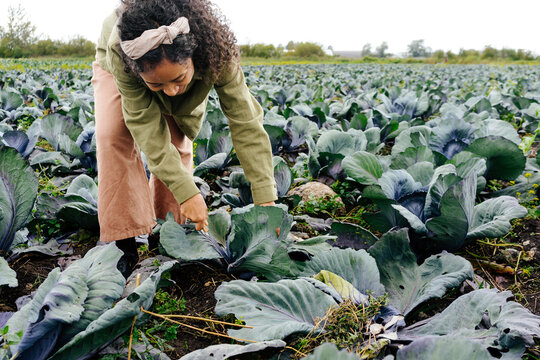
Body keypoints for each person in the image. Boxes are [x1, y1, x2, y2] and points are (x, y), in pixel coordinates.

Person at [92, 0, 277, 277]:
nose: (170, 92)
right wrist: (188, 192)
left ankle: (169, 233)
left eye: (178, 79)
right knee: (113, 136)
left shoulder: (218, 54)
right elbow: (146, 130)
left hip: (185, 61)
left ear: (194, 57)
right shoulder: (123, 54)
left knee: (177, 139)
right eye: (158, 85)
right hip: (121, 68)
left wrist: (265, 197)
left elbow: (245, 123)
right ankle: (123, 242)